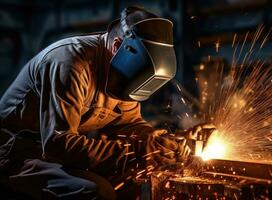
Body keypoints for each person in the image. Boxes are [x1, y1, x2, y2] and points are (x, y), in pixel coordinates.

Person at [0, 6, 200, 200]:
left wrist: (162, 144)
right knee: (95, 191)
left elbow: (129, 124)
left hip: (53, 151)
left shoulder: (122, 74)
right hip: (17, 152)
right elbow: (58, 145)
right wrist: (136, 151)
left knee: (135, 182)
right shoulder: (71, 64)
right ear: (117, 47)